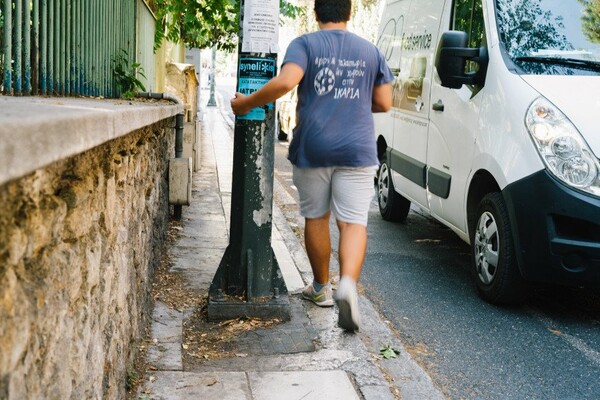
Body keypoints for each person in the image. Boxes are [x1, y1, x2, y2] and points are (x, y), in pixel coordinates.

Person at [231, 0, 393, 332]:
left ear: (317, 13)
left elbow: (286, 82)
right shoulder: (370, 51)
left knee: (317, 217)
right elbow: (384, 102)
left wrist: (244, 103)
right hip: (357, 148)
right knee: (353, 224)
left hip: (314, 145)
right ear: (348, 13)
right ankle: (347, 283)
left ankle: (321, 289)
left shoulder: (305, 44)